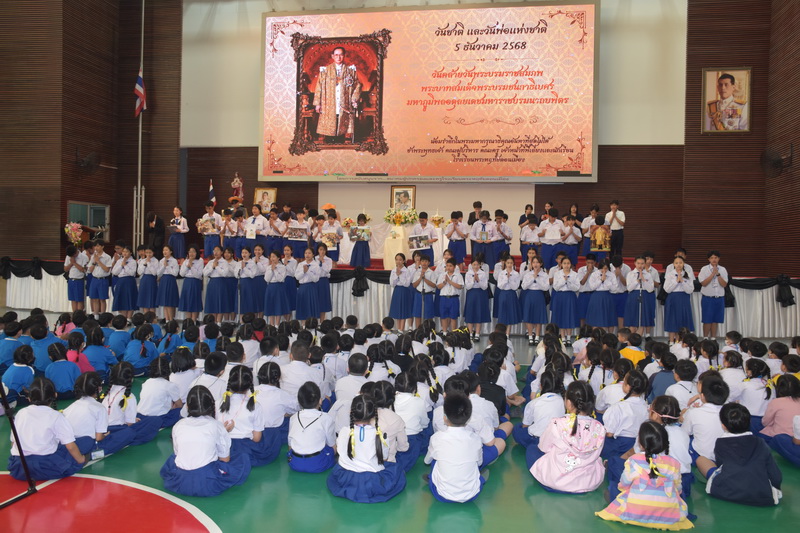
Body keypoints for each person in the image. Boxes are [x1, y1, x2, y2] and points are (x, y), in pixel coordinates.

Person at [597, 421, 694, 530]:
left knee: (612, 488)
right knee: (677, 499)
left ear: (641, 444)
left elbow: (624, 483)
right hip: (667, 514)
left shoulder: (634, 460)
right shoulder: (674, 463)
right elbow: (678, 488)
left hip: (635, 511)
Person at [160, 385, 251, 496]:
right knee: (242, 458)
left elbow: (177, 453)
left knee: (172, 459)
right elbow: (224, 459)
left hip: (180, 482)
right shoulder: (216, 425)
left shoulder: (178, 425)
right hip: (206, 483)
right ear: (212, 405)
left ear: (187, 406)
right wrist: (223, 432)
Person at [697, 403, 782, 506]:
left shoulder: (720, 443)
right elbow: (775, 475)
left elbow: (721, 467)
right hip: (761, 495)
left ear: (723, 425)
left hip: (726, 491)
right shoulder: (760, 442)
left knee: (701, 460)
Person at [529, 381, 606, 493]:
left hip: (556, 481)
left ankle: (555, 484)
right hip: (588, 482)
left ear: (568, 403)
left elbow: (543, 448)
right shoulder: (599, 427)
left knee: (531, 450)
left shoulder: (557, 423)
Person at [327, 394, 407, 503]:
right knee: (397, 471)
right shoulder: (380, 435)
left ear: (350, 412)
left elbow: (341, 452)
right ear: (374, 414)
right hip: (371, 481)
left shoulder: (344, 431)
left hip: (346, 477)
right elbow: (384, 458)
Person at [7, 377, 86, 480]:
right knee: (84, 442)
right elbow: (70, 446)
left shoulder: (21, 413)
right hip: (45, 466)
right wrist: (81, 461)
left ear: (29, 398)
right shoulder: (56, 416)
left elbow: (13, 442)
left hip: (19, 468)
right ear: (55, 395)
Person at [423, 392, 487, 503]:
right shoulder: (476, 439)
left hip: (442, 495)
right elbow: (479, 463)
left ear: (445, 418)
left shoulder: (436, 438)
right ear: (468, 417)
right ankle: (480, 480)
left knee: (435, 459)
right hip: (472, 495)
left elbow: (426, 461)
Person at [218, 365, 281, 466]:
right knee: (274, 434)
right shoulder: (255, 406)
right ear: (250, 384)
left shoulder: (218, 403)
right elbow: (256, 438)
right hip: (246, 447)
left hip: (223, 446)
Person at [65, 372, 136, 457]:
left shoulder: (70, 407)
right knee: (129, 433)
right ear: (99, 388)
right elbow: (98, 438)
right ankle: (91, 456)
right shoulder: (99, 408)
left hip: (70, 444)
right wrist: (104, 436)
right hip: (88, 445)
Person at [314, 46, 361, 144]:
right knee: (329, 129)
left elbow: (357, 85)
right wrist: (317, 103)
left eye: (341, 55)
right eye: (336, 55)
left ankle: (340, 146)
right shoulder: (325, 71)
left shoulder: (350, 71)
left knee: (341, 128)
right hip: (329, 103)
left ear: (344, 56)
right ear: (332, 56)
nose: (338, 57)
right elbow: (319, 87)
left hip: (344, 103)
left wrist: (354, 99)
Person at [287, 381, 337, 472]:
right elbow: (332, 445)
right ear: (320, 400)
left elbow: (290, 446)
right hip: (317, 463)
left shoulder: (293, 417)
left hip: (295, 462)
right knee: (332, 447)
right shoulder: (326, 418)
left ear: (300, 402)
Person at [681, 374, 730, 463]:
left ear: (702, 396)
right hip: (724, 456)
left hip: (701, 456)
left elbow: (684, 433)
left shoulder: (694, 412)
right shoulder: (729, 411)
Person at [664, 256, 695, 344]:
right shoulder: (670, 274)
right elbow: (667, 289)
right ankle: (671, 342)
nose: (678, 265)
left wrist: (682, 281)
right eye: (676, 263)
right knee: (672, 319)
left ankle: (681, 342)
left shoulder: (687, 274)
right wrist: (676, 281)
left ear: (683, 264)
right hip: (672, 298)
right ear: (673, 264)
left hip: (684, 299)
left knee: (683, 320)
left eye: (680, 263)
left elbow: (690, 290)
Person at [698, 251, 729, 339]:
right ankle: (705, 338)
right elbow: (703, 283)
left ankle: (713, 339)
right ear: (708, 259)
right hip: (708, 298)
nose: (714, 259)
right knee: (707, 320)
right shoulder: (704, 269)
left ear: (719, 259)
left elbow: (724, 284)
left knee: (716, 320)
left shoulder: (723, 269)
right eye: (711, 258)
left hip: (719, 298)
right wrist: (713, 274)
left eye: (716, 257)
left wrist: (718, 274)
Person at [550, 257, 580, 346]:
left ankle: (568, 338)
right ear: (561, 264)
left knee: (569, 316)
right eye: (564, 263)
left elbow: (577, 287)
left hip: (570, 296)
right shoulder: (557, 274)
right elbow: (555, 287)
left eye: (568, 263)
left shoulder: (575, 274)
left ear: (571, 264)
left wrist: (569, 282)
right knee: (561, 317)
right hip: (560, 296)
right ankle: (563, 338)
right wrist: (564, 280)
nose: (566, 265)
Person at [625, 256, 655, 334]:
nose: (640, 265)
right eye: (638, 263)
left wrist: (644, 280)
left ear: (645, 264)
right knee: (633, 319)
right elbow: (629, 288)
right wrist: (637, 281)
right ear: (635, 263)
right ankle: (632, 338)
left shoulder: (648, 275)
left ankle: (638, 338)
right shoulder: (630, 274)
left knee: (642, 320)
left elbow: (650, 289)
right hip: (633, 296)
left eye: (642, 263)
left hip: (644, 296)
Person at [203, 246, 231, 323]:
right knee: (213, 303)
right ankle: (213, 322)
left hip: (221, 283)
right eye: (214, 250)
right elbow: (205, 273)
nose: (215, 252)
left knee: (220, 303)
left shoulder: (224, 262)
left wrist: (217, 267)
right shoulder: (210, 262)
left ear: (221, 252)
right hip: (212, 283)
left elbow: (224, 274)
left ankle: (219, 322)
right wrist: (212, 267)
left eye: (217, 250)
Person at [263, 250, 290, 326]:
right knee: (271, 305)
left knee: (278, 305)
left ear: (278, 258)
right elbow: (267, 279)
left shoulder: (282, 267)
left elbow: (280, 279)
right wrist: (271, 270)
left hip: (279, 287)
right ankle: (272, 324)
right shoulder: (268, 267)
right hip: (270, 287)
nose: (272, 258)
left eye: (274, 257)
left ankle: (277, 324)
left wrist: (275, 270)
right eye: (271, 257)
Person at [436, 258, 463, 333]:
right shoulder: (442, 275)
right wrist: (445, 282)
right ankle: (444, 332)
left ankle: (453, 333)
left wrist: (450, 281)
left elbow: (460, 286)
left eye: (450, 266)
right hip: (444, 298)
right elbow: (438, 287)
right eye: (447, 266)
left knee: (453, 317)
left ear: (454, 267)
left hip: (453, 298)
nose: (448, 267)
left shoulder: (458, 275)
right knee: (443, 316)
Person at [178, 245, 204, 321]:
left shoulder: (200, 261)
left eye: (193, 252)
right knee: (187, 302)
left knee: (194, 302)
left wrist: (192, 266)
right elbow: (182, 274)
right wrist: (187, 266)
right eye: (190, 252)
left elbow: (198, 275)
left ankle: (194, 321)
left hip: (195, 282)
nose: (191, 254)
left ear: (197, 252)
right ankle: (188, 321)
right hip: (187, 282)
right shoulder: (186, 261)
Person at [87, 240, 112, 316]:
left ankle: (103, 316)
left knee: (102, 299)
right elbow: (90, 270)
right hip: (94, 279)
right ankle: (96, 315)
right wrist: (94, 262)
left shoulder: (107, 257)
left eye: (98, 246)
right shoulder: (93, 257)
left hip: (103, 279)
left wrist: (98, 261)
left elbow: (107, 269)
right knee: (95, 299)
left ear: (102, 246)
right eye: (95, 246)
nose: (96, 248)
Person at [389, 253, 413, 332]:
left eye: (400, 260)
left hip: (404, 291)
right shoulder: (393, 270)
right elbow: (392, 284)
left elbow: (407, 284)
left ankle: (401, 329)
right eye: (396, 260)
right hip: (397, 290)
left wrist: (400, 276)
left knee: (403, 310)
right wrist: (397, 275)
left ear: (403, 261)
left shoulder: (407, 271)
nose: (398, 261)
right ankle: (398, 328)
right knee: (397, 310)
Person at [495, 256, 522, 327]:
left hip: (511, 294)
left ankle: (508, 332)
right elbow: (500, 286)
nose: (509, 265)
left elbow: (515, 287)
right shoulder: (501, 273)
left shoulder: (516, 274)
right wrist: (506, 279)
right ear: (505, 263)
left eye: (511, 263)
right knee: (502, 313)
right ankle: (502, 331)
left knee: (510, 314)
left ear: (513, 263)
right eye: (508, 263)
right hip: (503, 293)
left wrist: (510, 279)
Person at [156, 245, 179, 322]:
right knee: (165, 302)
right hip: (163, 280)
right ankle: (167, 320)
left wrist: (168, 266)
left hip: (170, 280)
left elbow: (175, 273)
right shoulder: (161, 261)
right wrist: (163, 266)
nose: (164, 252)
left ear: (171, 251)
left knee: (170, 302)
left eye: (166, 250)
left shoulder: (174, 261)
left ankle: (171, 320)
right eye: (163, 250)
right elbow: (158, 273)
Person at [64, 244, 88, 312]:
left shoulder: (84, 257)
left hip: (79, 280)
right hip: (71, 280)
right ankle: (74, 315)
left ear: (75, 252)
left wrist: (74, 263)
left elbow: (84, 270)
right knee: (73, 299)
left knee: (79, 300)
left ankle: (79, 315)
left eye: (73, 255)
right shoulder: (68, 256)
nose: (72, 257)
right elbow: (65, 269)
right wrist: (71, 263)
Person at [135, 246, 158, 315]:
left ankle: (152, 317)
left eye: (150, 253)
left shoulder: (155, 261)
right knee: (144, 301)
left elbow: (154, 273)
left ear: (153, 253)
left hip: (151, 280)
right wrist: (144, 264)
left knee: (151, 300)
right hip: (144, 280)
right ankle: (146, 317)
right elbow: (139, 272)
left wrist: (149, 263)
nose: (148, 254)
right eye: (147, 252)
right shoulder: (142, 260)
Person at [316, 243, 334, 320]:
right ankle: (314, 321)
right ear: (318, 250)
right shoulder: (314, 259)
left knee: (323, 302)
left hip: (324, 281)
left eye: (324, 250)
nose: (322, 251)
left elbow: (327, 270)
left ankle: (322, 321)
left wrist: (323, 262)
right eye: (320, 250)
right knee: (315, 301)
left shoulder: (329, 260)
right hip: (316, 281)